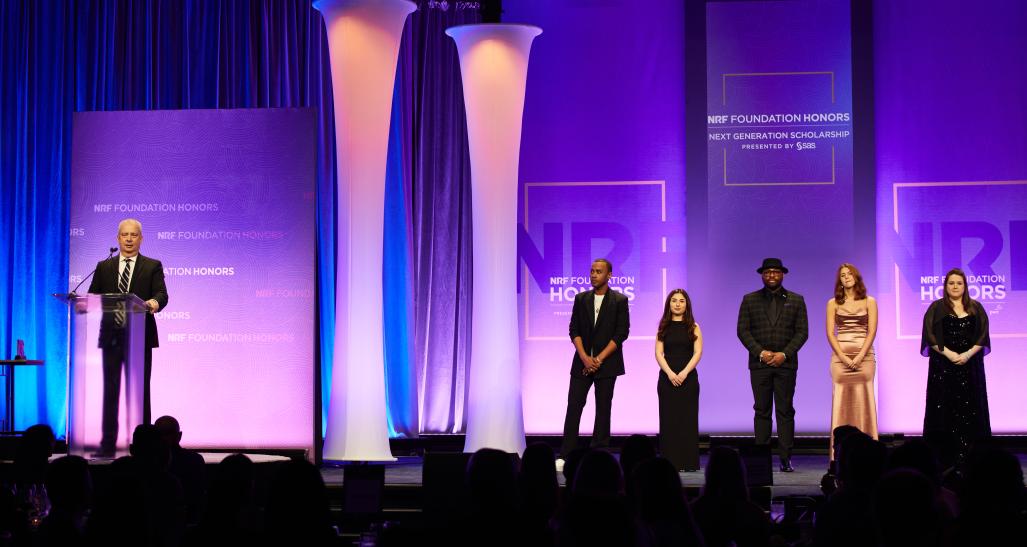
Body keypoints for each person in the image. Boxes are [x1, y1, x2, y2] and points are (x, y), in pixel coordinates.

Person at [88, 218, 169, 456]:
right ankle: (107, 445)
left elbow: (162, 294)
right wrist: (84, 303)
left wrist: (154, 302)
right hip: (111, 337)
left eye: (134, 235)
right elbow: (93, 296)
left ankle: (144, 446)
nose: (129, 239)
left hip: (140, 337)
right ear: (118, 238)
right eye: (125, 235)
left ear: (141, 239)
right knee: (110, 392)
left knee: (140, 391)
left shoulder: (152, 265)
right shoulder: (104, 266)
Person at [736, 258, 808, 472]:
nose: (772, 275)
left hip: (785, 365)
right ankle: (761, 459)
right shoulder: (750, 300)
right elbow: (743, 331)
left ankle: (786, 458)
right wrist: (761, 352)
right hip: (760, 365)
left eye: (776, 272)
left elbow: (802, 332)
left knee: (785, 411)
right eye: (768, 272)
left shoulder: (796, 300)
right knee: (762, 410)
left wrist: (784, 354)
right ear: (762, 275)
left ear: (783, 274)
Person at [558, 259, 630, 468]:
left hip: (607, 365)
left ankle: (600, 454)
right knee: (574, 406)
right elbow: (574, 330)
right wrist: (584, 357)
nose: (594, 275)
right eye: (592, 271)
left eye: (599, 272)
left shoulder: (619, 300)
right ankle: (566, 454)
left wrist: (598, 359)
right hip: (582, 363)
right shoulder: (581, 299)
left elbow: (621, 333)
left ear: (609, 275)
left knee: (603, 408)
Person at [921, 268, 991, 462]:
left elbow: (983, 335)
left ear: (965, 286)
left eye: (959, 283)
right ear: (945, 286)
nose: (955, 286)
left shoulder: (976, 307)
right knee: (944, 408)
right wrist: (950, 355)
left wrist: (967, 355)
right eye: (951, 283)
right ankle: (944, 457)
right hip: (943, 367)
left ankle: (973, 456)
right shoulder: (936, 308)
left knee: (972, 409)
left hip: (970, 367)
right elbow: (929, 335)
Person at [825, 263, 878, 460]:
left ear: (856, 277)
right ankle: (837, 456)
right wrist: (844, 357)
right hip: (840, 360)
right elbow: (831, 334)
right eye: (842, 275)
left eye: (849, 274)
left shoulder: (869, 301)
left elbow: (872, 331)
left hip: (864, 358)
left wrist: (858, 356)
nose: (846, 277)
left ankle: (869, 454)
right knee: (841, 401)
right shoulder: (833, 303)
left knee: (864, 398)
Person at [655, 289, 703, 471]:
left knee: (687, 420)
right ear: (669, 304)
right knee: (669, 420)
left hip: (688, 378)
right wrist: (669, 373)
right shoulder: (663, 327)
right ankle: (670, 462)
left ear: (686, 304)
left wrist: (684, 373)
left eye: (681, 301)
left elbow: (698, 352)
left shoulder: (694, 326)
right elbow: (658, 353)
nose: (677, 304)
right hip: (667, 379)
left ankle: (688, 462)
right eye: (674, 300)